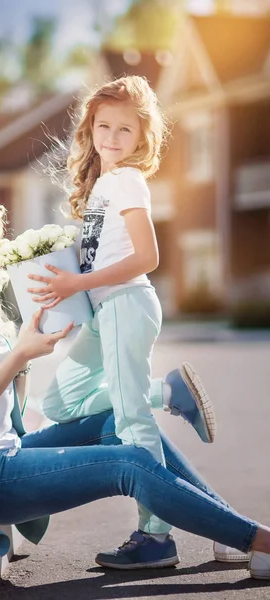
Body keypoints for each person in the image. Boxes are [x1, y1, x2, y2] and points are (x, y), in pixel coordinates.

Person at [0, 182, 270, 580]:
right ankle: (259, 540)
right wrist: (19, 354)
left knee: (119, 425)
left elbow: (6, 408)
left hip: (6, 451)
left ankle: (229, 531)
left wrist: (24, 358)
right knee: (131, 463)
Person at [26, 75, 217, 566]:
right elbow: (99, 255)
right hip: (104, 311)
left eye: (124, 130)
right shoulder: (103, 185)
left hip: (125, 304)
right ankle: (166, 392)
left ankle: (157, 538)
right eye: (102, 126)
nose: (110, 137)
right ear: (89, 129)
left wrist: (76, 285)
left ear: (142, 138)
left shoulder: (128, 180)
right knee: (61, 401)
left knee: (133, 423)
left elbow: (148, 257)